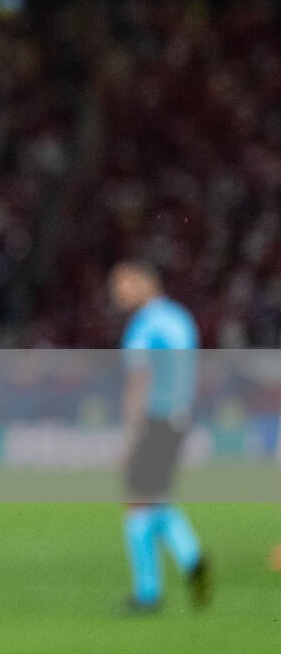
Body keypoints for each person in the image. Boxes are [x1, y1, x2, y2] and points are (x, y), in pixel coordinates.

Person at [109, 259, 208, 613]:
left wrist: (131, 437)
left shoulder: (144, 325)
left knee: (137, 502)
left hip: (155, 419)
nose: (117, 294)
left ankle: (148, 592)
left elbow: (139, 381)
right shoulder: (180, 318)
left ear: (143, 282)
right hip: (179, 416)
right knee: (154, 498)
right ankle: (192, 560)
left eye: (122, 285)